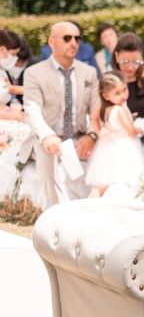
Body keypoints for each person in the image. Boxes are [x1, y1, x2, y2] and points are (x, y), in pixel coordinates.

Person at [21, 21, 100, 209]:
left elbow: (97, 109)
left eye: (77, 38)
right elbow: (32, 108)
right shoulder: (34, 73)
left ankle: (92, 211)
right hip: (47, 140)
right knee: (46, 148)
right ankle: (54, 214)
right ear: (51, 42)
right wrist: (47, 135)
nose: (73, 43)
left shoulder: (89, 72)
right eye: (67, 38)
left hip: (78, 137)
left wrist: (92, 135)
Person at [85, 71, 144, 196]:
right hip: (123, 148)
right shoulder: (119, 109)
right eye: (117, 93)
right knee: (125, 181)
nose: (123, 95)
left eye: (125, 90)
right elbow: (130, 131)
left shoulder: (105, 108)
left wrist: (100, 132)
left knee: (103, 184)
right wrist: (140, 130)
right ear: (106, 96)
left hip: (108, 147)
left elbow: (93, 117)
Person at [111, 32, 144, 159]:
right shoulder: (110, 81)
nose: (130, 67)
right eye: (125, 61)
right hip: (117, 142)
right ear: (116, 56)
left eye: (136, 62)